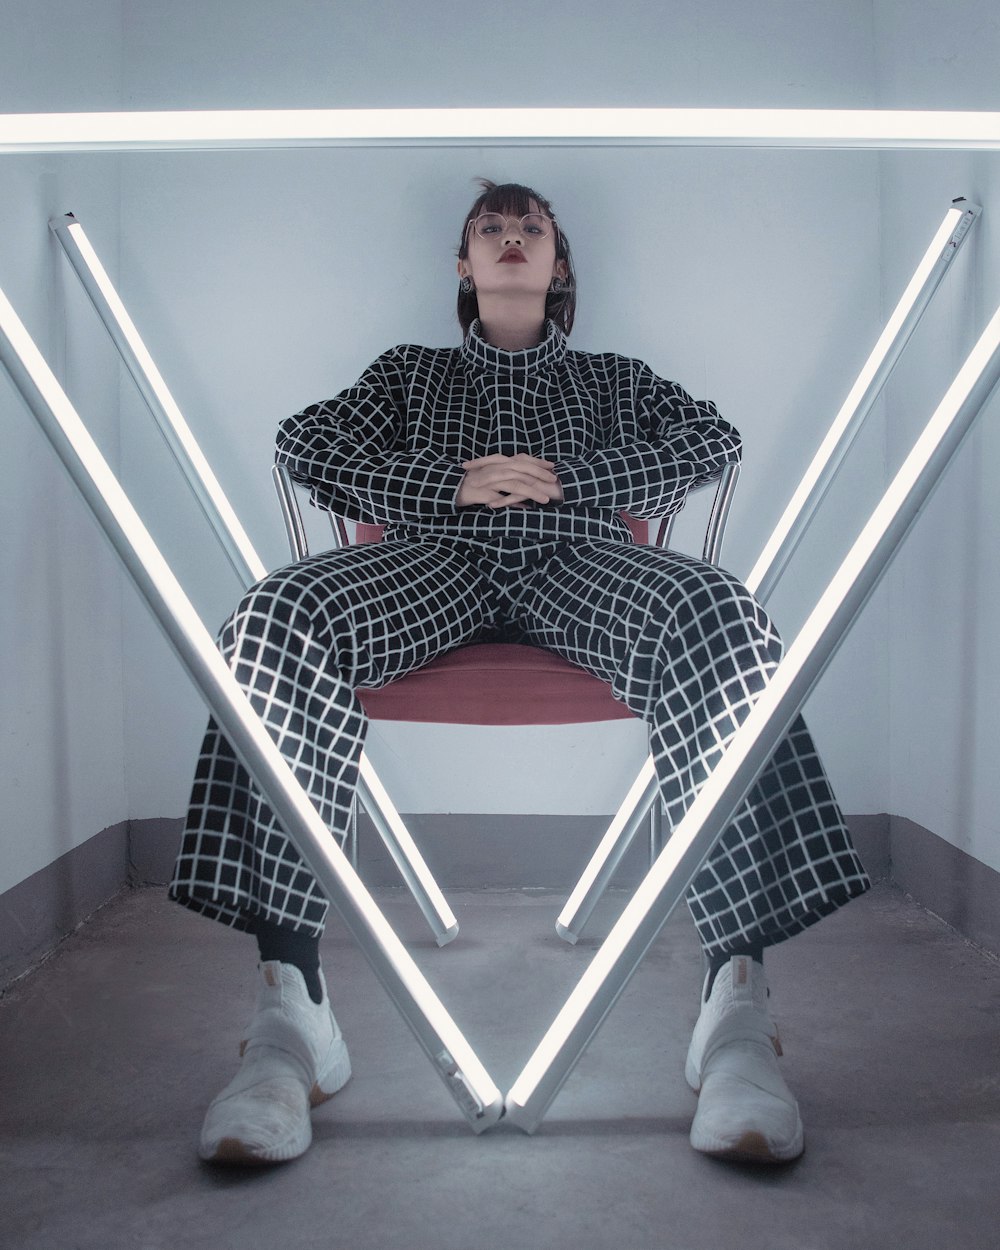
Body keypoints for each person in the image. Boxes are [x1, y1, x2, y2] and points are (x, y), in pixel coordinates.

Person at [169, 179, 869, 1167]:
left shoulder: (615, 378)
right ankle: (290, 1013)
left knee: (721, 610)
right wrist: (440, 482)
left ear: (559, 263)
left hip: (578, 565)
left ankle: (736, 1007)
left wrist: (573, 481)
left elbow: (712, 439)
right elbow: (305, 442)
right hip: (433, 562)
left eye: (528, 228)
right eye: (488, 230)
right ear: (462, 264)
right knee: (273, 613)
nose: (508, 239)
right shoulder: (408, 374)